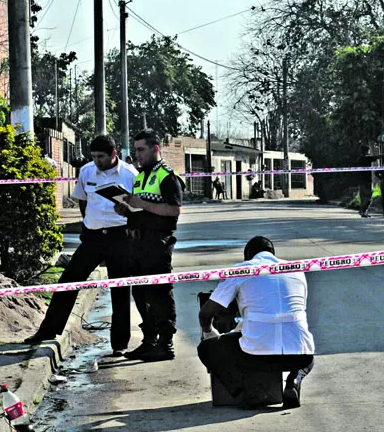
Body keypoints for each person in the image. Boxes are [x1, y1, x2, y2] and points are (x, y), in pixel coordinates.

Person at [24, 134, 136, 352]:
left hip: (120, 236)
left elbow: (136, 207)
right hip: (93, 237)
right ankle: (48, 330)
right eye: (93, 156)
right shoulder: (86, 171)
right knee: (68, 281)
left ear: (114, 154)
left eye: (101, 157)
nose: (97, 161)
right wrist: (88, 226)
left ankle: (120, 345)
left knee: (120, 290)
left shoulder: (130, 174)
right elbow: (83, 202)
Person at [197, 237, 314, 409]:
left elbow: (206, 313)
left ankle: (247, 392)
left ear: (248, 256)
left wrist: (208, 333)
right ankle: (294, 380)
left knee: (206, 350)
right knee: (307, 352)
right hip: (300, 355)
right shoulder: (296, 270)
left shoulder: (241, 270)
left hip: (256, 357)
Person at [120, 128, 182, 361]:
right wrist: (126, 208)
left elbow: (174, 209)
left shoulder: (167, 176)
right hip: (137, 243)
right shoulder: (140, 177)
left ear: (155, 149)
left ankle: (165, 343)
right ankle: (150, 340)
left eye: (141, 150)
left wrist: (142, 205)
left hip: (157, 243)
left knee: (159, 293)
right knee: (141, 293)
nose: (137, 155)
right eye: (136, 150)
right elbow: (140, 206)